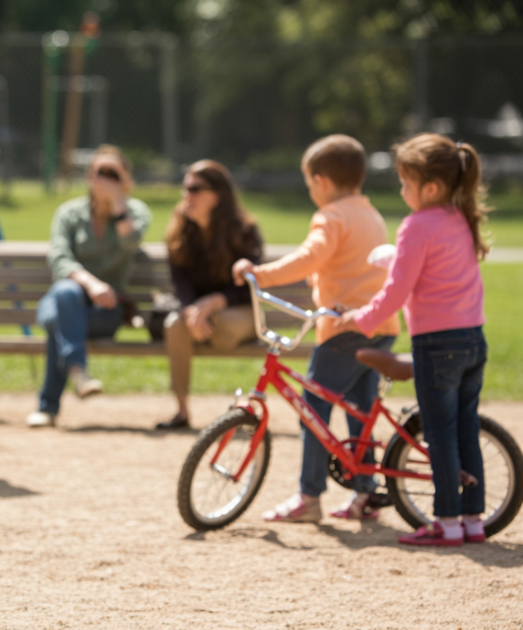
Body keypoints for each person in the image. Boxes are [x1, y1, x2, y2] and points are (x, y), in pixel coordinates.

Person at [230, 135, 400, 523]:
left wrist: (260, 273)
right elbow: (351, 264)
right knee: (360, 411)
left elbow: (311, 256)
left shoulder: (331, 216)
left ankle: (309, 497)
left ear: (321, 181)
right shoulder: (370, 214)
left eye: (309, 183)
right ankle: (364, 493)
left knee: (313, 410)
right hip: (381, 325)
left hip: (344, 331)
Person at [337, 133, 490, 547]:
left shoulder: (417, 224)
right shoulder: (460, 217)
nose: (402, 191)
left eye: (405, 183)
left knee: (439, 434)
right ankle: (473, 520)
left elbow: (396, 292)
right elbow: (436, 270)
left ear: (431, 187)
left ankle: (446, 523)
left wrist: (360, 319)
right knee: (465, 428)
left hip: (437, 344)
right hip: (473, 339)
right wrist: (395, 257)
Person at [25, 145, 152, 428]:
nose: (104, 179)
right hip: (61, 301)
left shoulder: (137, 212)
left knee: (63, 319)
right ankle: (78, 371)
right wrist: (91, 284)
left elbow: (130, 242)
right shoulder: (69, 214)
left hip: (105, 311)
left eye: (112, 174)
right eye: (98, 172)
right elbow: (59, 259)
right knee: (65, 295)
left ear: (126, 180)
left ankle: (48, 406)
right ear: (88, 177)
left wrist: (117, 202)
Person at [156, 160, 263, 430]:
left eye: (194, 188)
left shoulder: (245, 231)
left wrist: (215, 302)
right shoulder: (180, 232)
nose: (186, 196)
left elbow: (248, 287)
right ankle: (181, 412)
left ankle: (241, 408)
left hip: (238, 311)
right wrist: (192, 309)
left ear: (218, 195)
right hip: (198, 314)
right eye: (185, 188)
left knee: (222, 323)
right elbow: (179, 283)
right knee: (175, 325)